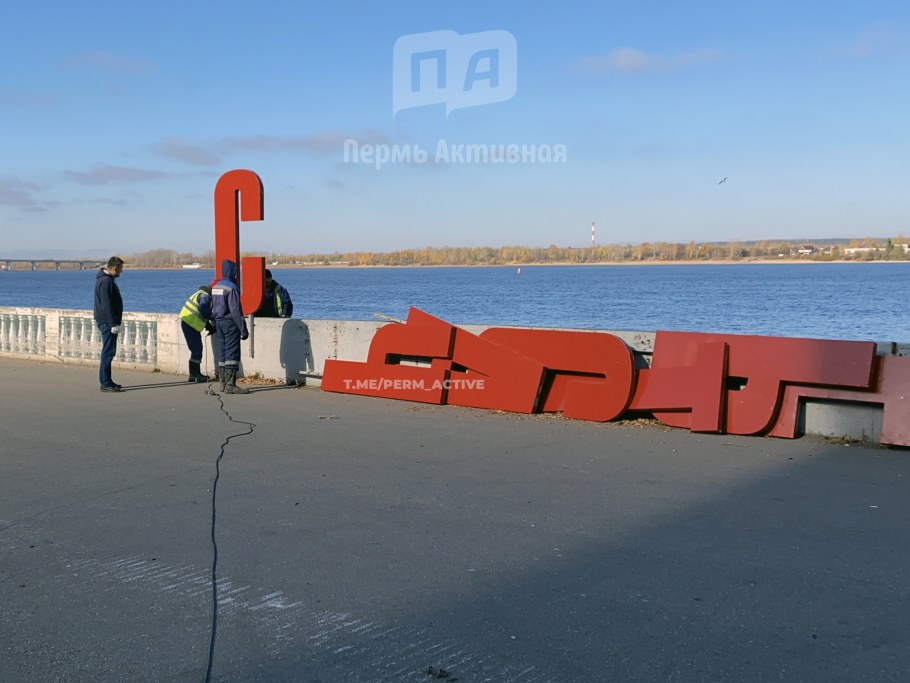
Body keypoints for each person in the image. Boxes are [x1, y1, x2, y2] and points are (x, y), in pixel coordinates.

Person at [212, 259, 250, 394]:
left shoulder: (216, 287)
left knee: (222, 352)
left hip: (218, 322)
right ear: (233, 271)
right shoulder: (232, 287)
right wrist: (243, 328)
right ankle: (230, 385)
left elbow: (213, 306)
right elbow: (235, 310)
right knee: (232, 352)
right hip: (230, 323)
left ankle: (222, 383)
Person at [93, 256, 124, 393]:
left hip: (105, 320)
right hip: (107, 322)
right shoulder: (106, 281)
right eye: (121, 269)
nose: (121, 272)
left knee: (109, 351)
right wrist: (113, 323)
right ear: (115, 268)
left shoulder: (106, 279)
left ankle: (108, 381)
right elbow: (106, 304)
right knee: (108, 352)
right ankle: (105, 382)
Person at [179, 284, 216, 382]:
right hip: (190, 325)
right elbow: (204, 311)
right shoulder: (205, 296)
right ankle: (194, 375)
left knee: (196, 349)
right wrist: (215, 317)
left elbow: (200, 313)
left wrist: (209, 326)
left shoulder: (199, 294)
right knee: (196, 350)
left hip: (188, 323)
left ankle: (196, 373)